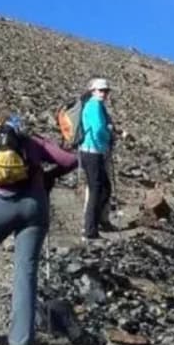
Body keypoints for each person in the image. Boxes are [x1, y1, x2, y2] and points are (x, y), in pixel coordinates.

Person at [0, 112, 78, 345]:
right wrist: (49, 176)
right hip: (34, 207)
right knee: (25, 271)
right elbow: (70, 160)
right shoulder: (31, 140)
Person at [79, 78, 116, 240]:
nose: (104, 93)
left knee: (103, 188)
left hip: (94, 151)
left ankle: (94, 223)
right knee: (97, 190)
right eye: (101, 90)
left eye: (106, 91)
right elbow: (98, 128)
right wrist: (109, 135)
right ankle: (90, 230)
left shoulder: (96, 105)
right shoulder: (94, 105)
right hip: (92, 151)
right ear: (93, 91)